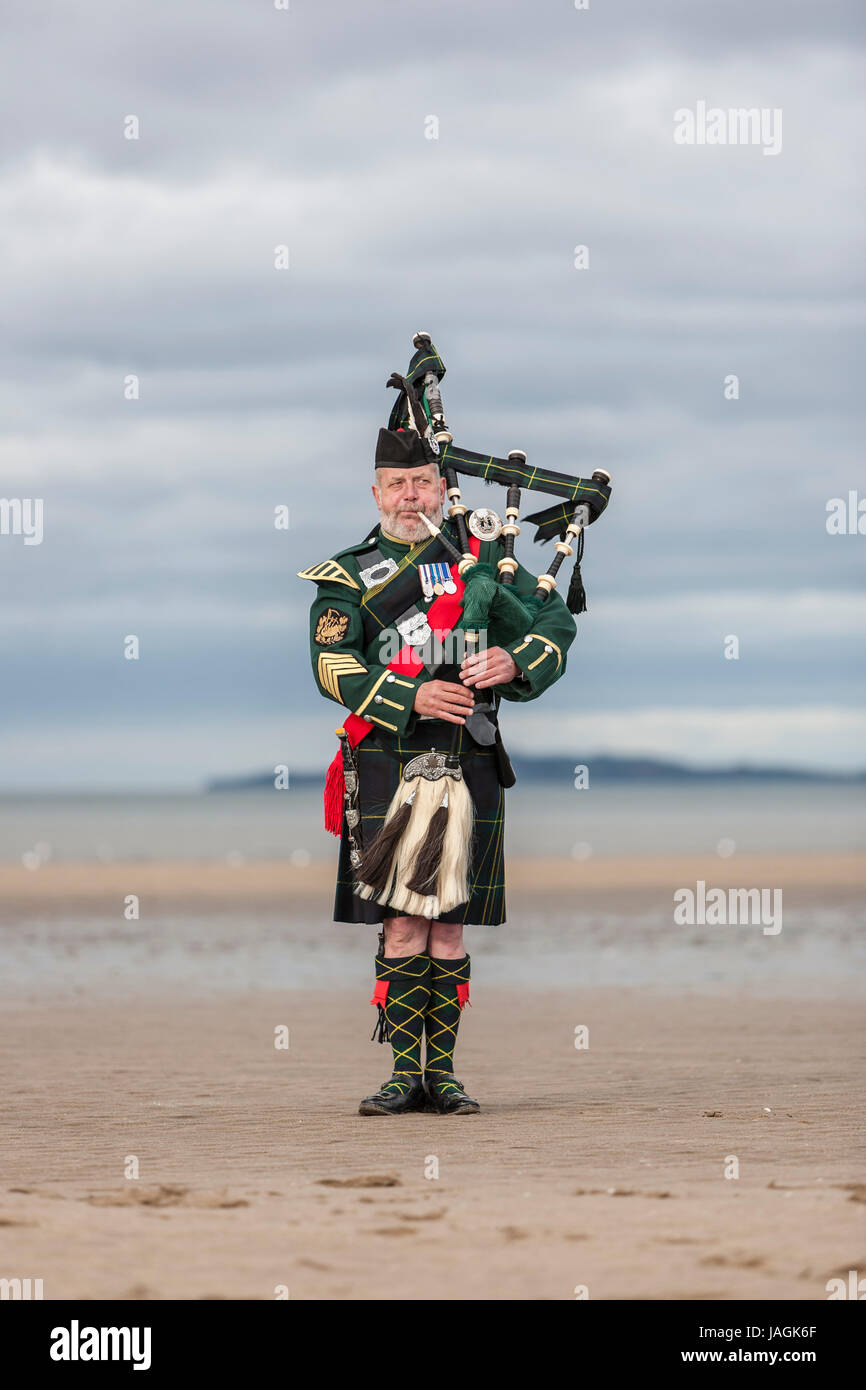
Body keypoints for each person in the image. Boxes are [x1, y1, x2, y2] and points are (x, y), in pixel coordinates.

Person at [299, 425, 576, 1115]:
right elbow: (332, 666)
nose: (410, 495)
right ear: (376, 492)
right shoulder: (348, 575)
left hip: (468, 757)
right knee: (401, 926)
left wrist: (517, 663)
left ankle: (443, 1074)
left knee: (448, 927)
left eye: (423, 481)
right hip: (387, 757)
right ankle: (403, 1075)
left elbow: (556, 627)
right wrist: (412, 694)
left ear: (443, 487)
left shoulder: (484, 562)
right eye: (397, 484)